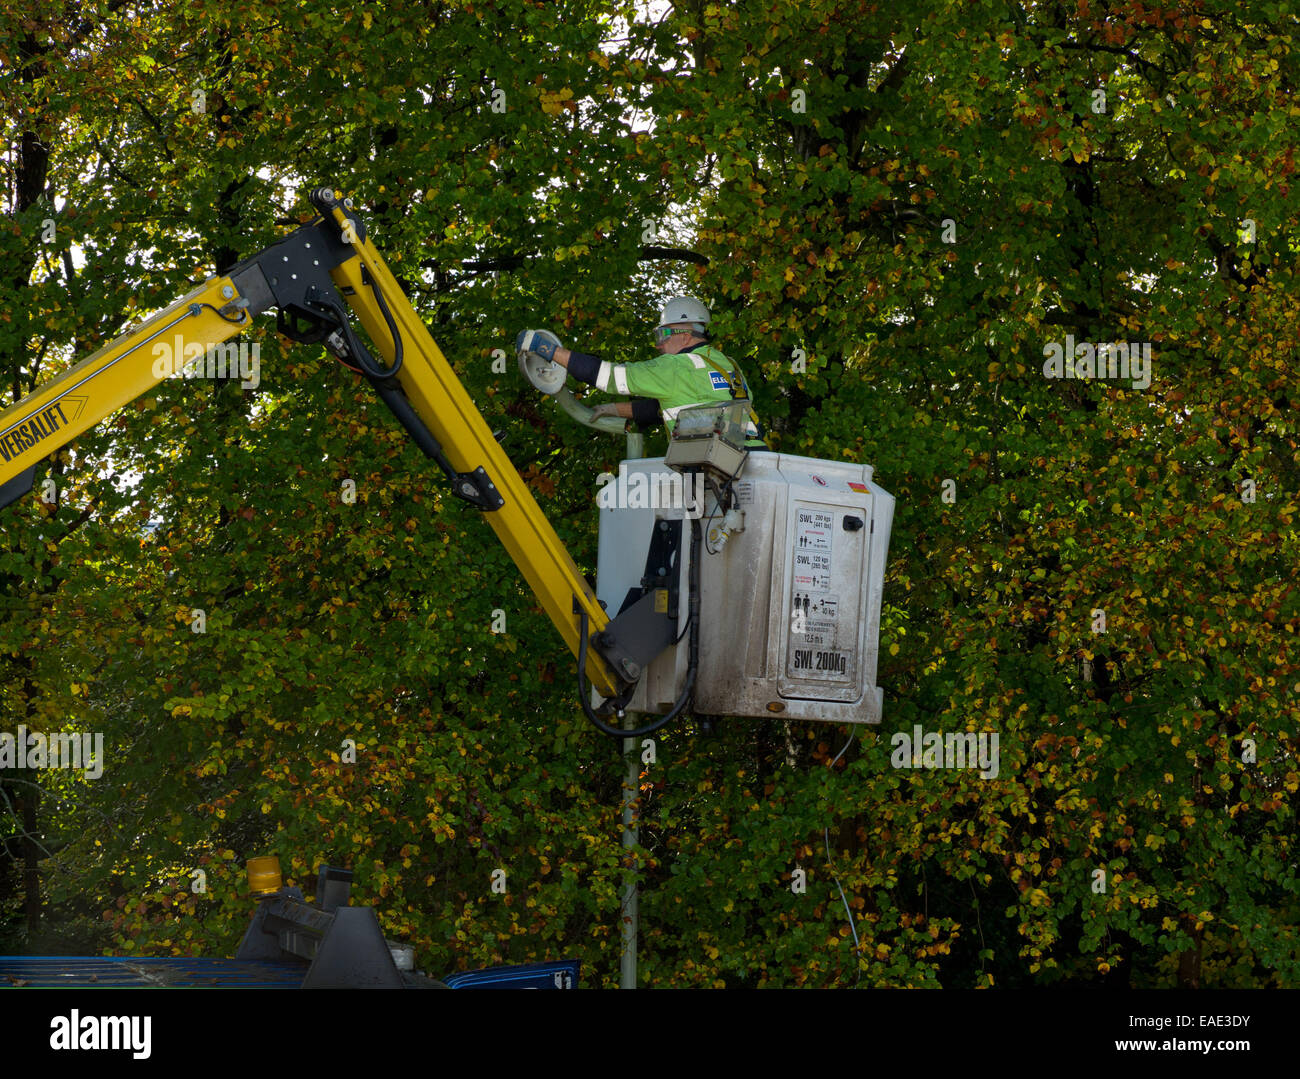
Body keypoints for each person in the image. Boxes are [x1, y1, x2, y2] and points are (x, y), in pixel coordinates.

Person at [515, 297, 766, 447]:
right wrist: (614, 409)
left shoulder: (676, 366)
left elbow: (607, 376)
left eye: (664, 334)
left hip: (716, 474)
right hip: (752, 464)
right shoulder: (728, 365)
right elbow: (678, 410)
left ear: (686, 336)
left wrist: (546, 349)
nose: (658, 344)